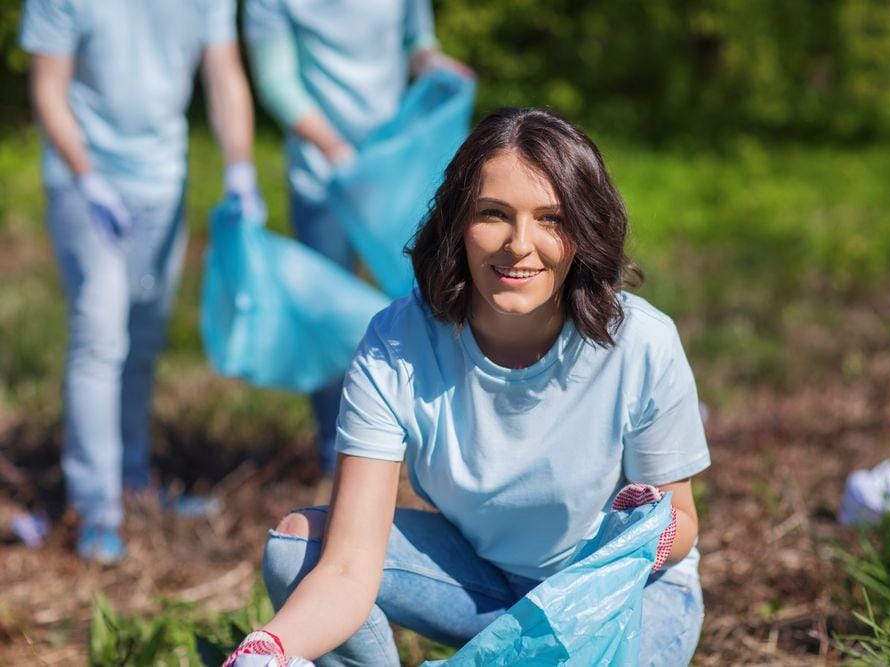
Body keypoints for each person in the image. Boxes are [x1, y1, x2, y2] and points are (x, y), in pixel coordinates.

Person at [226, 108, 711, 666]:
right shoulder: (398, 344)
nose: (519, 244)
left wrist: (639, 535)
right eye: (493, 214)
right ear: (457, 222)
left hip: (619, 597)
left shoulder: (641, 343)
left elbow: (683, 524)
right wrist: (268, 649)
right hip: (483, 582)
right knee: (299, 549)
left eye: (552, 219)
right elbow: (347, 566)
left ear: (584, 231)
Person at [19, 0, 263, 563]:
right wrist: (86, 175)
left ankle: (133, 481)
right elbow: (49, 89)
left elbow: (223, 72)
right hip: (87, 181)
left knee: (144, 338)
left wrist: (241, 166)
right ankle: (94, 509)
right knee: (100, 336)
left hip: (162, 179)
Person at [242, 0, 473, 477]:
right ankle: (337, 451)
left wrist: (437, 65)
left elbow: (417, 45)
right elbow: (275, 82)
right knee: (326, 314)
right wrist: (333, 149)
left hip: (395, 175)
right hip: (324, 179)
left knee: (427, 302)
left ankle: (426, 445)